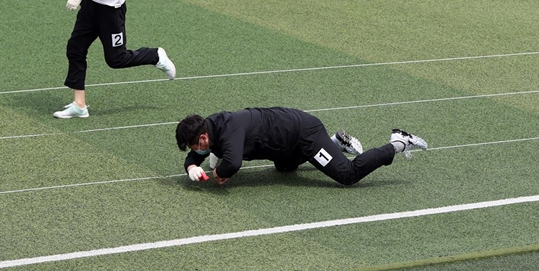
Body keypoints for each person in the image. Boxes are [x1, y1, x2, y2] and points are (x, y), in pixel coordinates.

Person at [175, 107, 427, 186]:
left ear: (204, 137)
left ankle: (398, 142)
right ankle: (335, 142)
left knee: (347, 175)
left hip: (304, 134)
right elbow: (196, 156)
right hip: (285, 147)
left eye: (196, 145)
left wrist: (219, 174)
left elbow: (233, 163)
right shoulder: (210, 129)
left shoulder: (229, 130)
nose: (196, 149)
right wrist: (190, 168)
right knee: (284, 168)